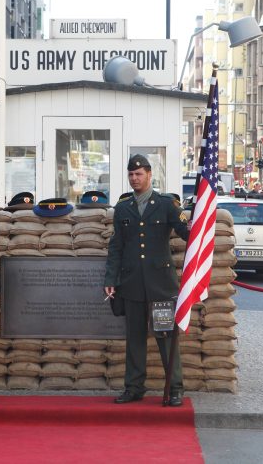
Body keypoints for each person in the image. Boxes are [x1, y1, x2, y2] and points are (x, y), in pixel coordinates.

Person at [104, 154, 190, 407]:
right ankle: (134, 387)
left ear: (149, 175)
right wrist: (111, 278)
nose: (134, 179)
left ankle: (174, 388)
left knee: (165, 337)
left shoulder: (166, 205)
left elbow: (186, 233)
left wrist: (198, 226)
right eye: (131, 174)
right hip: (131, 284)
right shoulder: (122, 208)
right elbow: (116, 246)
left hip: (160, 285)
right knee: (135, 338)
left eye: (139, 174)